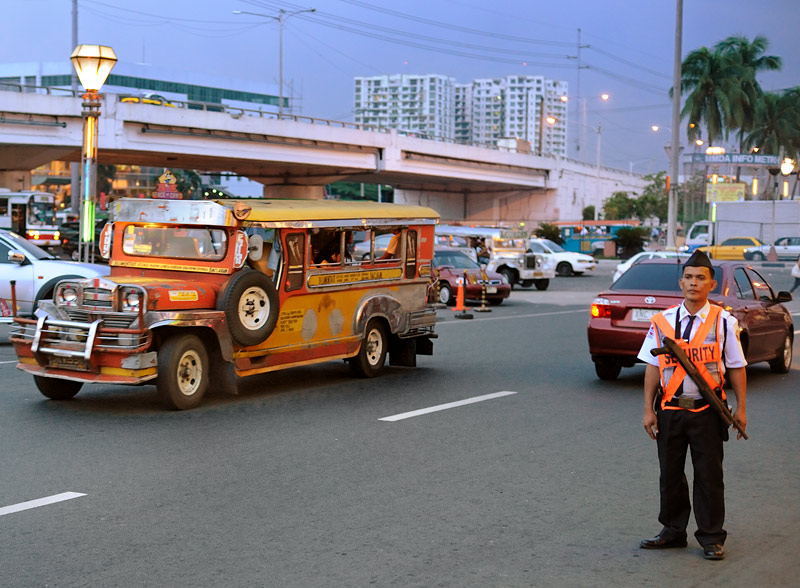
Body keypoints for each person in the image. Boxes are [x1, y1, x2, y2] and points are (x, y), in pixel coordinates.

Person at [638, 249, 747, 561]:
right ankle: (672, 531)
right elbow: (652, 366)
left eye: (701, 278)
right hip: (671, 409)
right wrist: (648, 409)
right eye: (688, 277)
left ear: (711, 284)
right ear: (681, 282)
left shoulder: (724, 322)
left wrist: (740, 409)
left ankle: (711, 537)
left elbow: (737, 367)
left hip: (707, 411)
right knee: (669, 474)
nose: (694, 283)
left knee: (709, 475)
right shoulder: (662, 321)